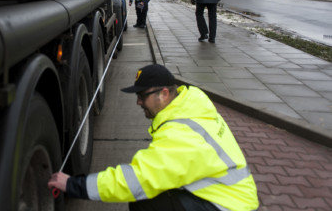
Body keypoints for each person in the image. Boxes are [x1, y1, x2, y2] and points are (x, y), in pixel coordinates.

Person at [48, 64, 258, 211]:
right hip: (232, 196)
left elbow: (136, 180)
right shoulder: (191, 106)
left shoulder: (180, 135)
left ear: (164, 94)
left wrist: (74, 185)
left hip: (228, 206)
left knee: (146, 201)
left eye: (142, 96)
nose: (138, 103)